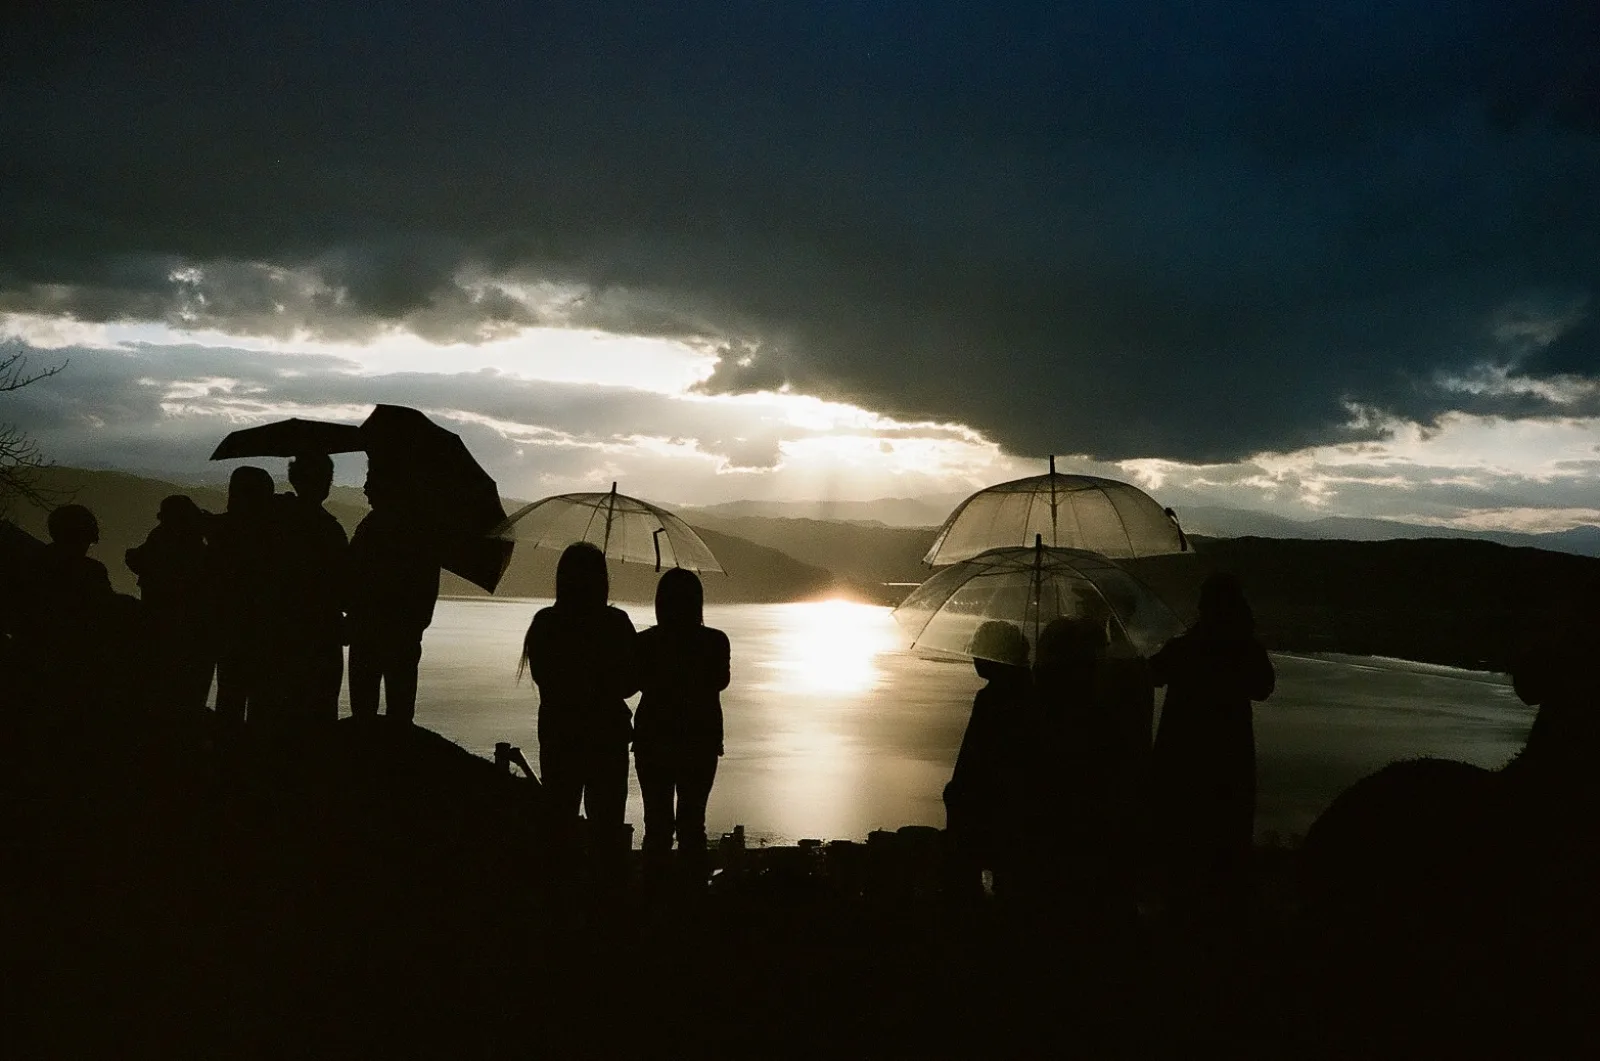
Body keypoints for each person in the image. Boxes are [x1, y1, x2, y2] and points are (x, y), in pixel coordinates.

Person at [1149, 571, 1275, 916]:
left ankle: (1184, 909)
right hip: (1230, 756)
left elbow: (1152, 673)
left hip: (1184, 756)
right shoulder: (1245, 648)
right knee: (1226, 832)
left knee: (1185, 834)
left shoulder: (1186, 647)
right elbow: (1263, 688)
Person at [522, 542, 639, 868]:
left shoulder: (545, 623)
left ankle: (559, 885)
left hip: (559, 733)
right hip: (607, 737)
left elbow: (543, 678)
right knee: (607, 825)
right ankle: (604, 888)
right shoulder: (616, 623)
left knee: (559, 816)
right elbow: (631, 684)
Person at [633, 567, 730, 887]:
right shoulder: (715, 642)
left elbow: (630, 684)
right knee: (693, 824)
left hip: (652, 740)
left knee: (656, 824)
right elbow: (720, 680)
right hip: (700, 741)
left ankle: (653, 895)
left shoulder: (646, 642)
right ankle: (693, 897)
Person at [942, 620, 1032, 902]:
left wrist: (955, 793)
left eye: (979, 652)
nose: (974, 658)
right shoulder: (1030, 690)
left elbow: (973, 755)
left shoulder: (993, 698)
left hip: (991, 800)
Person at [345, 462, 440, 724]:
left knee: (365, 713)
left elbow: (351, 577)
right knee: (399, 713)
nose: (365, 488)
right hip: (400, 637)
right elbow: (427, 589)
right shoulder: (419, 531)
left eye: (370, 481)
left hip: (371, 634)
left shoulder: (371, 528)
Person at [5, 503, 116, 709]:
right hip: (72, 669)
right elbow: (106, 615)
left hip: (28, 663)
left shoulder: (30, 565)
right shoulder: (91, 572)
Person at [272, 453, 348, 724]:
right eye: (326, 478)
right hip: (321, 635)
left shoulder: (274, 521)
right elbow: (344, 588)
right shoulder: (330, 530)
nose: (328, 484)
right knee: (320, 712)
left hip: (279, 631)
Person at [125, 495, 215, 712]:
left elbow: (138, 560)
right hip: (190, 624)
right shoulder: (196, 544)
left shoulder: (161, 537)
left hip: (160, 618)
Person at [208, 466, 279, 727]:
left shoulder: (224, 532)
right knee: (262, 704)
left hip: (232, 631)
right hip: (268, 632)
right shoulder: (277, 533)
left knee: (230, 700)